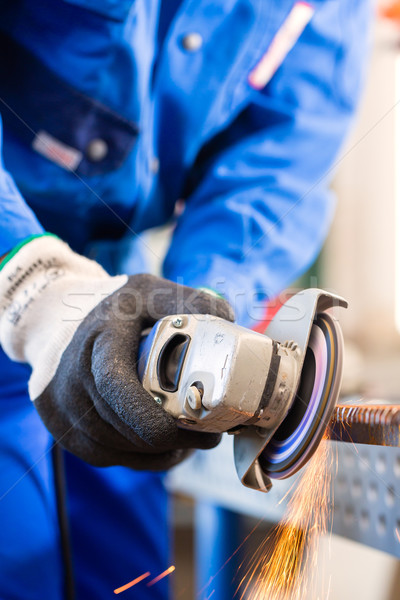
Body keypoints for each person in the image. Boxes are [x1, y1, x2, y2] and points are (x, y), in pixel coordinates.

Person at [0, 1, 370, 598]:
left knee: (130, 575)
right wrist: (31, 282)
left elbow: (272, 169)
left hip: (117, 283)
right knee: (18, 564)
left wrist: (205, 308)